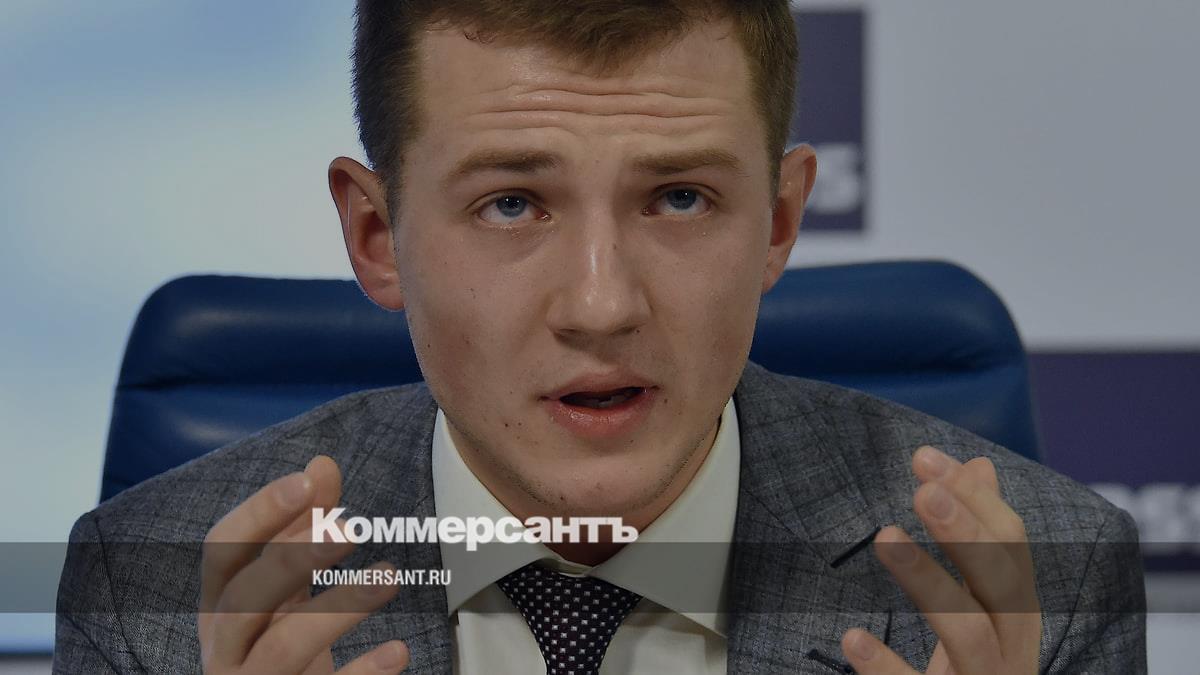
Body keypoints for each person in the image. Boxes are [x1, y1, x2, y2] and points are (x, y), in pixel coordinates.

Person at [54, 1, 1145, 673]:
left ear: (777, 222)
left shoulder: (1049, 590)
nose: (600, 305)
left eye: (679, 198)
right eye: (512, 204)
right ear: (377, 236)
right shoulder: (149, 597)